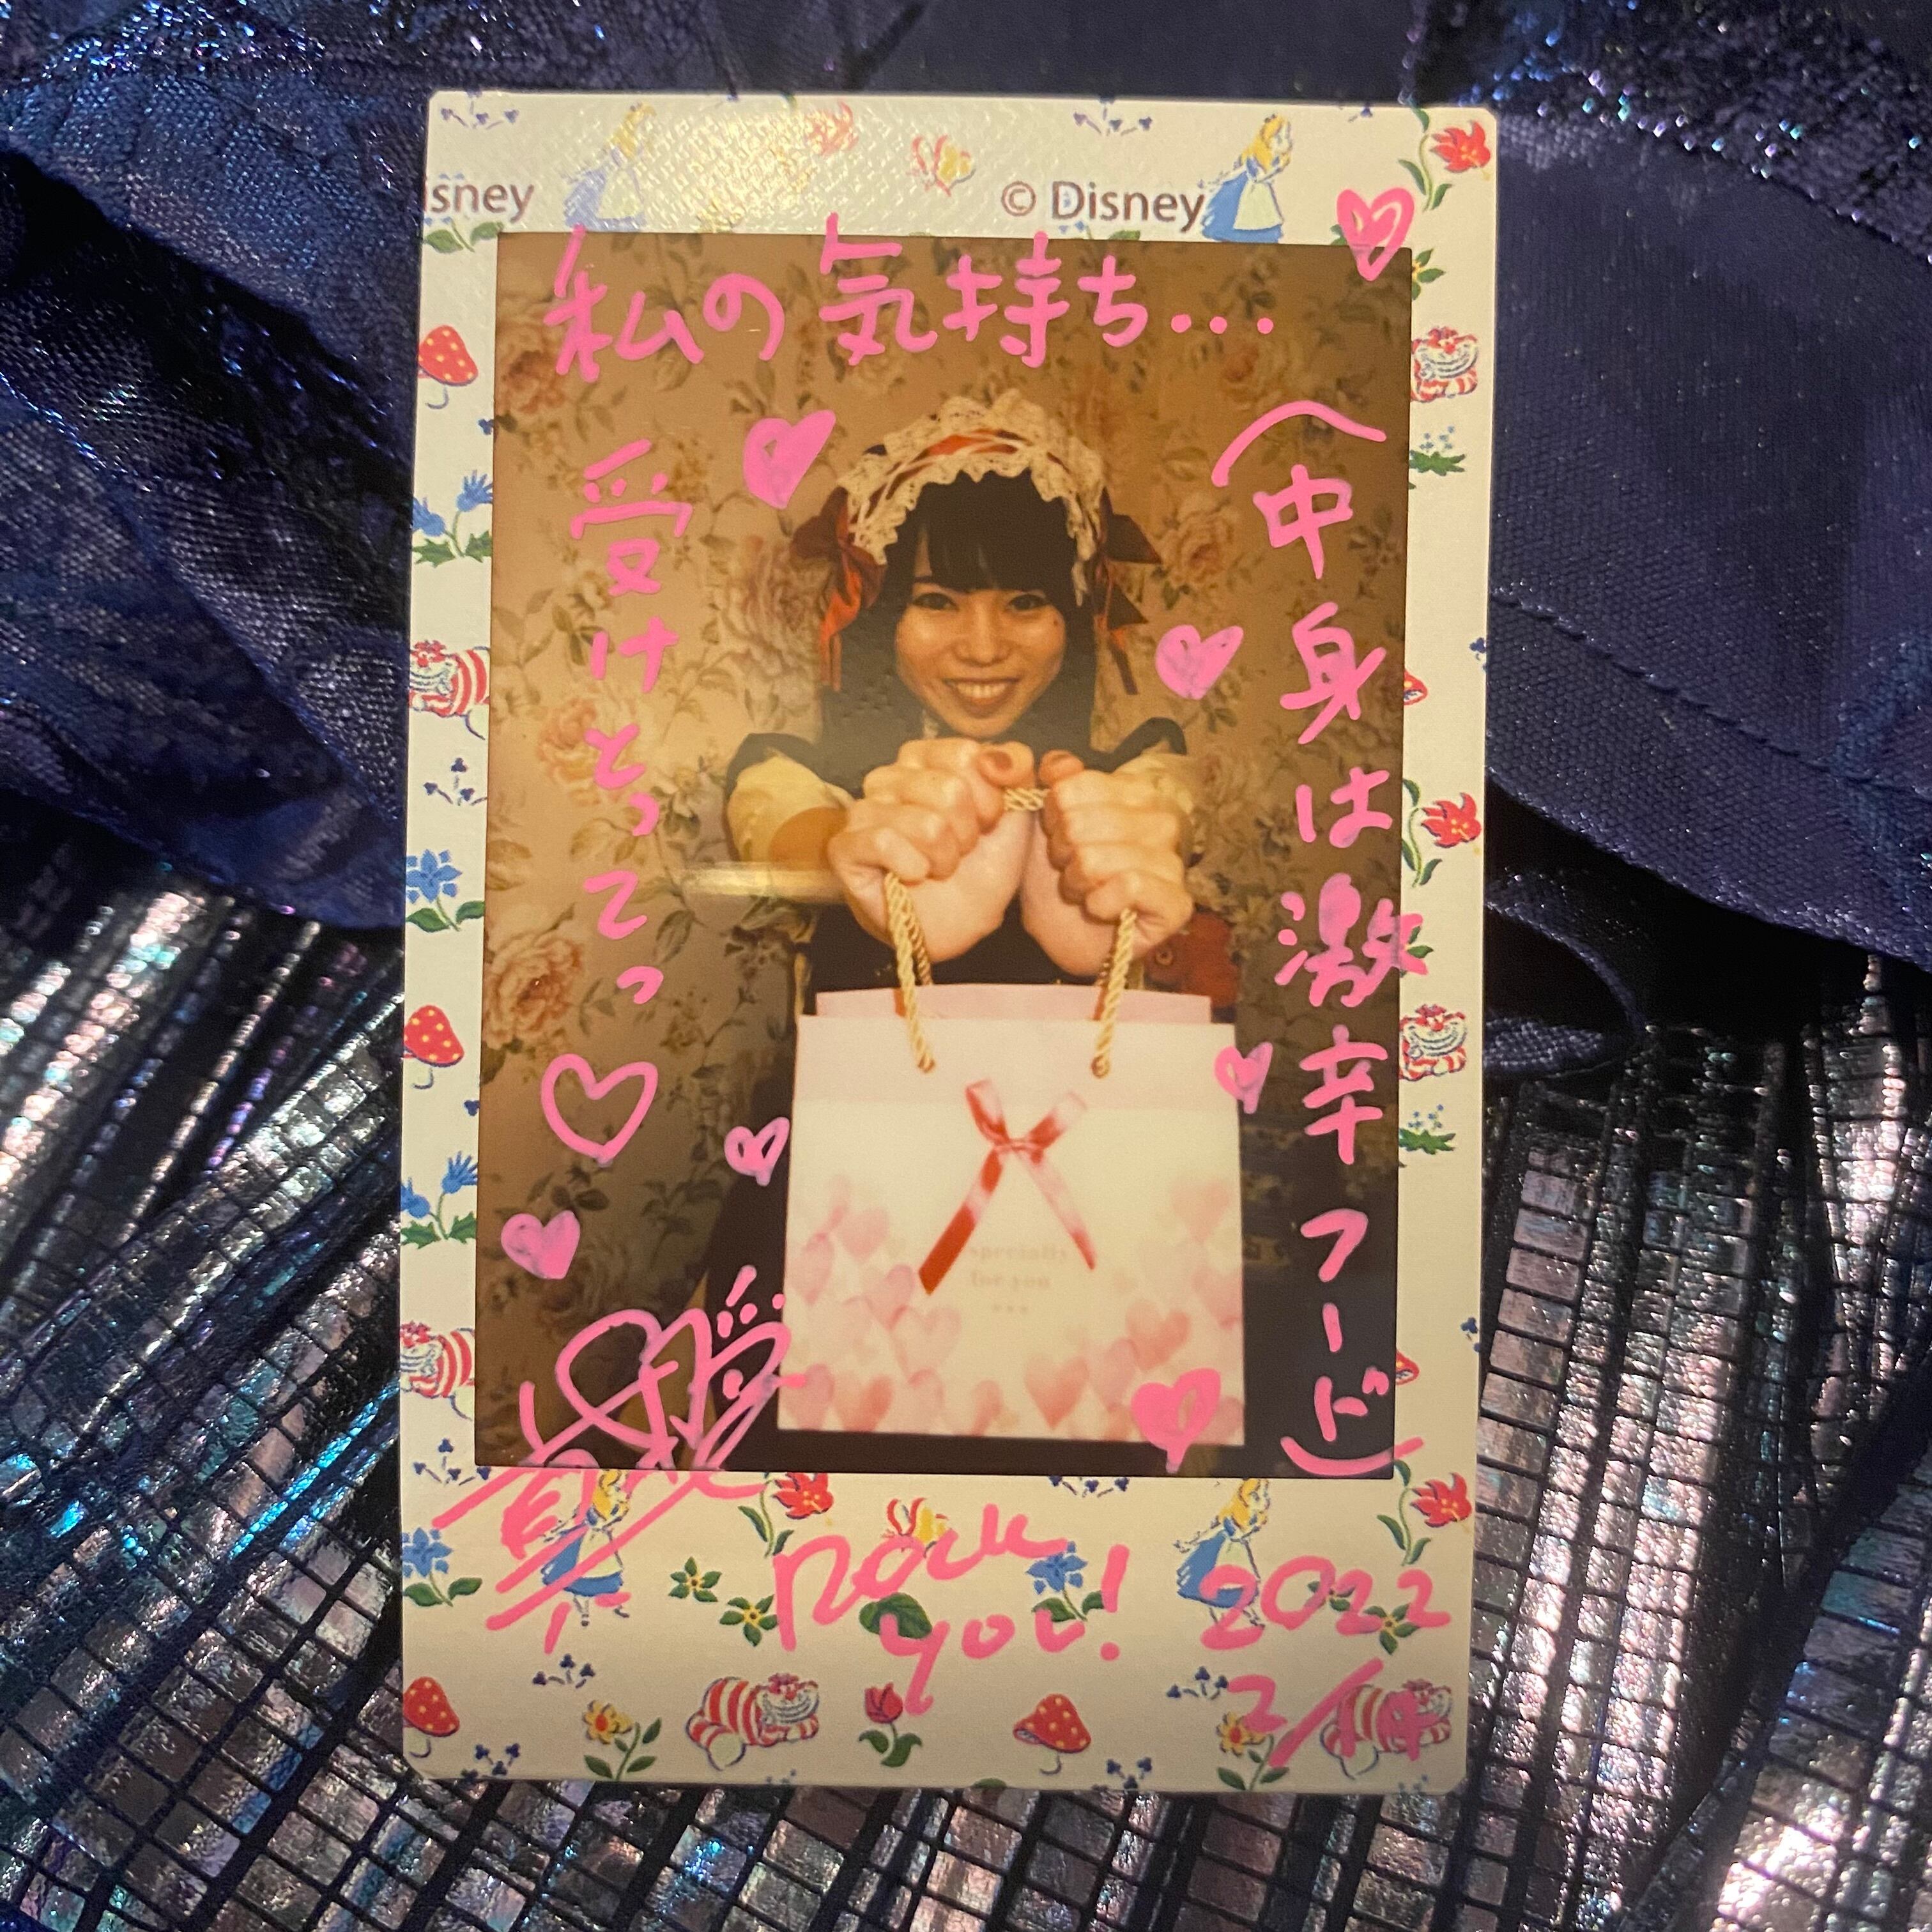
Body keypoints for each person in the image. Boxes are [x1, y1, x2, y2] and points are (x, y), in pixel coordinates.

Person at [702, 391, 1232, 1456]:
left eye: (1024, 601)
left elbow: (1159, 834)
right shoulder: (790, 766)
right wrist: (871, 861)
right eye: (937, 601)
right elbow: (797, 835)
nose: (982, 647)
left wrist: (1104, 890)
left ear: (1073, 618)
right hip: (844, 1205)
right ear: (875, 615)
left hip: (1070, 1211)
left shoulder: (1138, 768)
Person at [1200, 112, 1293, 245]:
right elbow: (1258, 177)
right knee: (1249, 219)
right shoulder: (1254, 159)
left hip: (1262, 194)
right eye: (1278, 138)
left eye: (1286, 137)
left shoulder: (1274, 160)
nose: (1286, 142)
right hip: (1250, 194)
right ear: (1267, 140)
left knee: (1264, 218)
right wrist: (1275, 170)